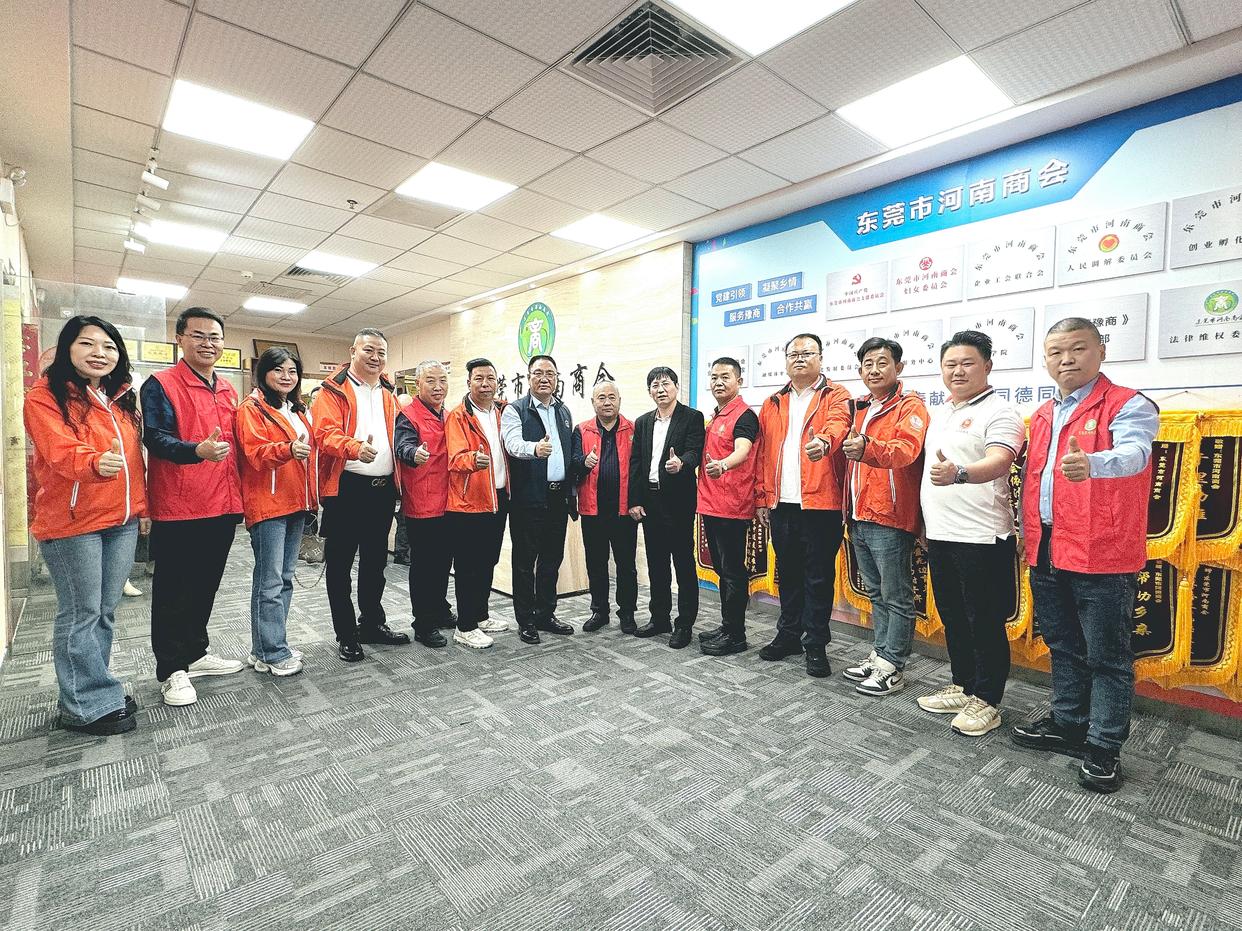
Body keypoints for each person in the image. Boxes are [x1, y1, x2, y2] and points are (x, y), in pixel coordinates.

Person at [1011, 318, 1159, 793]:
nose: (1066, 359)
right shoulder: (1042, 414)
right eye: (1055, 352)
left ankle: (1104, 745)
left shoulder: (1128, 403)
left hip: (1102, 550)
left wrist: (1094, 463)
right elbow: (1033, 482)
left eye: (1077, 348)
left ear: (1101, 351)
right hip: (1047, 545)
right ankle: (1069, 723)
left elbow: (1137, 453)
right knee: (1062, 644)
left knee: (1108, 656)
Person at [25, 315, 148, 735]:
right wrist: (94, 462)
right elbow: (59, 450)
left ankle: (95, 690)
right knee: (82, 612)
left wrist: (142, 508)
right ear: (67, 349)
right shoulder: (45, 396)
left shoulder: (119, 398)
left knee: (104, 611)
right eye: (87, 343)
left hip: (121, 520)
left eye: (109, 346)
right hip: (73, 522)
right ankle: (82, 706)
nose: (99, 353)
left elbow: (134, 464)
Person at [916, 330, 1026, 737]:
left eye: (967, 363)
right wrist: (924, 523)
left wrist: (960, 473)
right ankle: (963, 685)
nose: (958, 371)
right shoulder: (941, 412)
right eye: (950, 364)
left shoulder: (1001, 412)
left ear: (987, 366)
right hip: (941, 534)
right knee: (953, 616)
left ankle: (988, 699)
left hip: (982, 537)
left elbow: (1000, 461)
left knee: (984, 620)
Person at [141, 307, 245, 707]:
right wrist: (195, 451)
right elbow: (155, 438)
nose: (208, 343)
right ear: (180, 338)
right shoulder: (161, 385)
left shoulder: (227, 389)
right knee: (173, 591)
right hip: (180, 506)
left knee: (205, 585)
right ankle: (171, 669)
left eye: (215, 337)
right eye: (198, 335)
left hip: (222, 504)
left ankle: (196, 653)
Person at [754, 333, 851, 678]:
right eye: (793, 354)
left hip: (821, 503)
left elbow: (839, 425)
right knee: (788, 574)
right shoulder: (773, 402)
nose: (799, 358)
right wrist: (762, 497)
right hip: (781, 504)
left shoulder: (836, 395)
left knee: (818, 578)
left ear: (820, 358)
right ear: (785, 361)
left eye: (807, 353)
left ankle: (816, 645)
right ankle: (788, 635)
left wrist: (824, 442)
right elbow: (762, 454)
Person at [312, 328, 409, 662]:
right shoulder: (333, 390)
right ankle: (346, 633)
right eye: (369, 350)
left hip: (382, 491)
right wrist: (353, 447)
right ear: (352, 351)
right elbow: (324, 434)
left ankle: (371, 623)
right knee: (340, 565)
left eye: (381, 352)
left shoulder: (388, 390)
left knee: (375, 563)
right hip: (346, 489)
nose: (375, 357)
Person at [840, 338, 929, 696]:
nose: (874, 370)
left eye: (882, 363)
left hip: (890, 515)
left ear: (899, 368)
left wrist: (868, 447)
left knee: (896, 595)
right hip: (858, 513)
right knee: (877, 592)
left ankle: (893, 665)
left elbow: (906, 451)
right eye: (868, 364)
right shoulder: (860, 407)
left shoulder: (910, 406)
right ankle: (880, 654)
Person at [236, 348, 318, 677]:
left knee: (284, 579)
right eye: (279, 370)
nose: (286, 376)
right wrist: (287, 449)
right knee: (269, 581)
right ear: (264, 373)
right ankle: (272, 651)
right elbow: (254, 451)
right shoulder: (251, 408)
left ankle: (267, 647)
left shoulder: (296, 408)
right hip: (268, 503)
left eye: (292, 371)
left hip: (296, 501)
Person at [628, 366, 706, 647]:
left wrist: (681, 462)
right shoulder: (643, 422)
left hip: (678, 502)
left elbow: (695, 450)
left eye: (665, 384)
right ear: (649, 391)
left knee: (683, 564)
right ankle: (659, 617)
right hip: (650, 501)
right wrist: (634, 500)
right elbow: (636, 462)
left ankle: (684, 624)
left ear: (676, 386)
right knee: (656, 563)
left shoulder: (692, 417)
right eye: (655, 385)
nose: (660, 389)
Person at [503, 354, 577, 644]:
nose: (544, 378)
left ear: (557, 378)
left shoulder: (563, 411)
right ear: (528, 377)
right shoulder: (516, 410)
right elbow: (512, 444)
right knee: (524, 562)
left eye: (550, 373)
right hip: (528, 498)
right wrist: (534, 449)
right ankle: (526, 620)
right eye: (538, 373)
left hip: (558, 497)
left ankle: (546, 614)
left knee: (551, 560)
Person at [697, 358, 761, 656]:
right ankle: (727, 625)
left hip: (732, 506)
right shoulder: (717, 415)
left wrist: (723, 465)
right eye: (714, 377)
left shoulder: (744, 416)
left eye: (725, 376)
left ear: (739, 381)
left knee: (733, 572)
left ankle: (736, 635)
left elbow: (743, 450)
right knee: (723, 570)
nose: (718, 382)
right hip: (711, 504)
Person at [444, 358, 510, 649]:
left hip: (499, 498)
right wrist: (472, 459)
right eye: (479, 379)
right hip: (469, 501)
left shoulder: (503, 411)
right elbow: (454, 458)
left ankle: (481, 615)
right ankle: (465, 626)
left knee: (488, 561)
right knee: (468, 566)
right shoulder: (458, 416)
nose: (485, 384)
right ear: (468, 382)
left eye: (490, 378)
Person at [394, 361, 456, 647]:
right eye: (430, 381)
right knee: (424, 566)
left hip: (449, 501)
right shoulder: (408, 415)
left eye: (442, 380)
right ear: (417, 384)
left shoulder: (449, 415)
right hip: (422, 502)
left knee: (443, 562)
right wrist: (412, 454)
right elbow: (402, 446)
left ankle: (440, 609)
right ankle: (423, 623)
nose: (438, 387)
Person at [571, 380, 637, 633]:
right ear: (593, 402)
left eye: (612, 397)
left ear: (619, 400)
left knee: (626, 565)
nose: (607, 402)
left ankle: (627, 612)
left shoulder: (633, 428)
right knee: (596, 564)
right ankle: (599, 611)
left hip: (624, 511)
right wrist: (583, 462)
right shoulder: (582, 430)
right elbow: (572, 463)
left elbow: (639, 468)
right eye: (601, 398)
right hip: (593, 510)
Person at [392, 391, 414, 566]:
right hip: (394, 480)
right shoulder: (392, 425)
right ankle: (401, 553)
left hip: (404, 480)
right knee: (403, 520)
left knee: (403, 520)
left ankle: (402, 552)